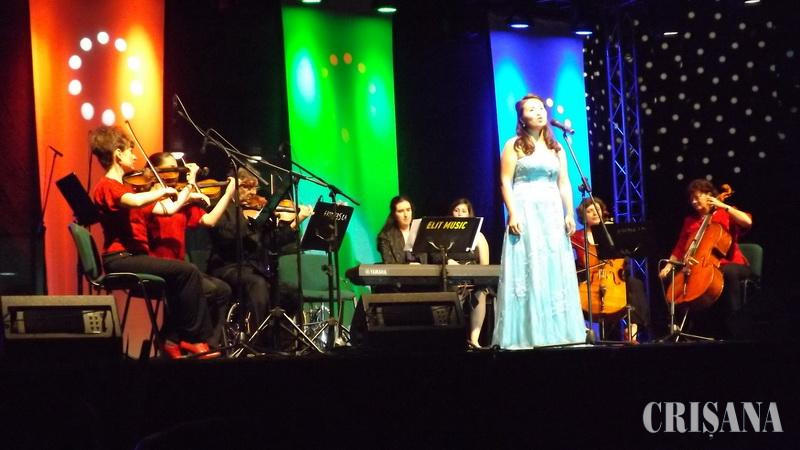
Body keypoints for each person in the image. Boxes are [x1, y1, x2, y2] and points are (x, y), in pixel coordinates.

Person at [88, 125, 216, 359]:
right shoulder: (107, 187)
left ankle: (172, 340)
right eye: (130, 151)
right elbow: (134, 202)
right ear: (118, 154)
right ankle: (194, 339)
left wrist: (188, 188)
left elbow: (168, 210)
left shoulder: (127, 187)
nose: (135, 156)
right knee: (187, 271)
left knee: (180, 280)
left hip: (134, 257)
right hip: (120, 259)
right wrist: (162, 191)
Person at [493, 93, 586, 349]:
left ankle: (558, 333)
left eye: (541, 108)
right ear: (522, 118)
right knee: (530, 268)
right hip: (526, 210)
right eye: (531, 109)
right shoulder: (514, 145)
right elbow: (505, 181)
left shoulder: (557, 148)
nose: (539, 112)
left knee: (553, 268)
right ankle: (529, 333)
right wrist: (512, 212)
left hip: (551, 211)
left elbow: (563, 182)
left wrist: (569, 213)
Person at [145, 152, 237, 347]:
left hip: (181, 268)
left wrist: (227, 195)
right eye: (170, 169)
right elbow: (168, 207)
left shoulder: (181, 197)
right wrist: (190, 185)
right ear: (155, 171)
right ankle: (180, 338)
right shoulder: (149, 197)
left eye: (176, 169)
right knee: (209, 290)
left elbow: (209, 220)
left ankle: (210, 342)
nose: (176, 174)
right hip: (158, 265)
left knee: (223, 290)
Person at [206, 166, 313, 332]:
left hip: (254, 268)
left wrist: (297, 220)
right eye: (247, 187)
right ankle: (259, 337)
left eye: (254, 187)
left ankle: (281, 338)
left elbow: (271, 242)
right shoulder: (221, 207)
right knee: (258, 284)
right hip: (227, 266)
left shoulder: (254, 210)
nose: (252, 192)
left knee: (291, 293)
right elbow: (226, 236)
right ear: (233, 186)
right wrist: (253, 223)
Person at [658, 178, 753, 339]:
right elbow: (680, 247)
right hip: (700, 265)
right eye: (691, 199)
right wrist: (669, 266)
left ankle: (736, 327)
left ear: (709, 195)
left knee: (727, 272)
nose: (694, 202)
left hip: (732, 264)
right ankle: (686, 329)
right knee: (672, 279)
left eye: (697, 197)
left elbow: (747, 222)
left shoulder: (725, 213)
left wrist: (724, 206)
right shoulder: (690, 221)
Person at [571, 197, 651, 341]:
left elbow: (624, 259)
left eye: (597, 209)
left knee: (636, 284)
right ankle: (579, 330)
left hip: (613, 277)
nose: (595, 213)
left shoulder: (611, 232)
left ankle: (632, 328)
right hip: (588, 278)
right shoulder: (576, 236)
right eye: (590, 211)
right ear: (583, 215)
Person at [448, 198, 491, 349]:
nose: (460, 214)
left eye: (463, 211)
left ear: (469, 214)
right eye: (456, 210)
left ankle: (474, 340)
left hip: (474, 282)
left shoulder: (479, 237)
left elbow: (485, 267)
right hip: (453, 281)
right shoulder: (446, 235)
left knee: (481, 292)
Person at [377, 195, 417, 264]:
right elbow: (389, 264)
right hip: (401, 271)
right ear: (394, 215)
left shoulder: (421, 231)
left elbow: (434, 257)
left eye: (408, 210)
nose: (406, 215)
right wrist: (409, 267)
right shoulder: (385, 237)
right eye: (401, 211)